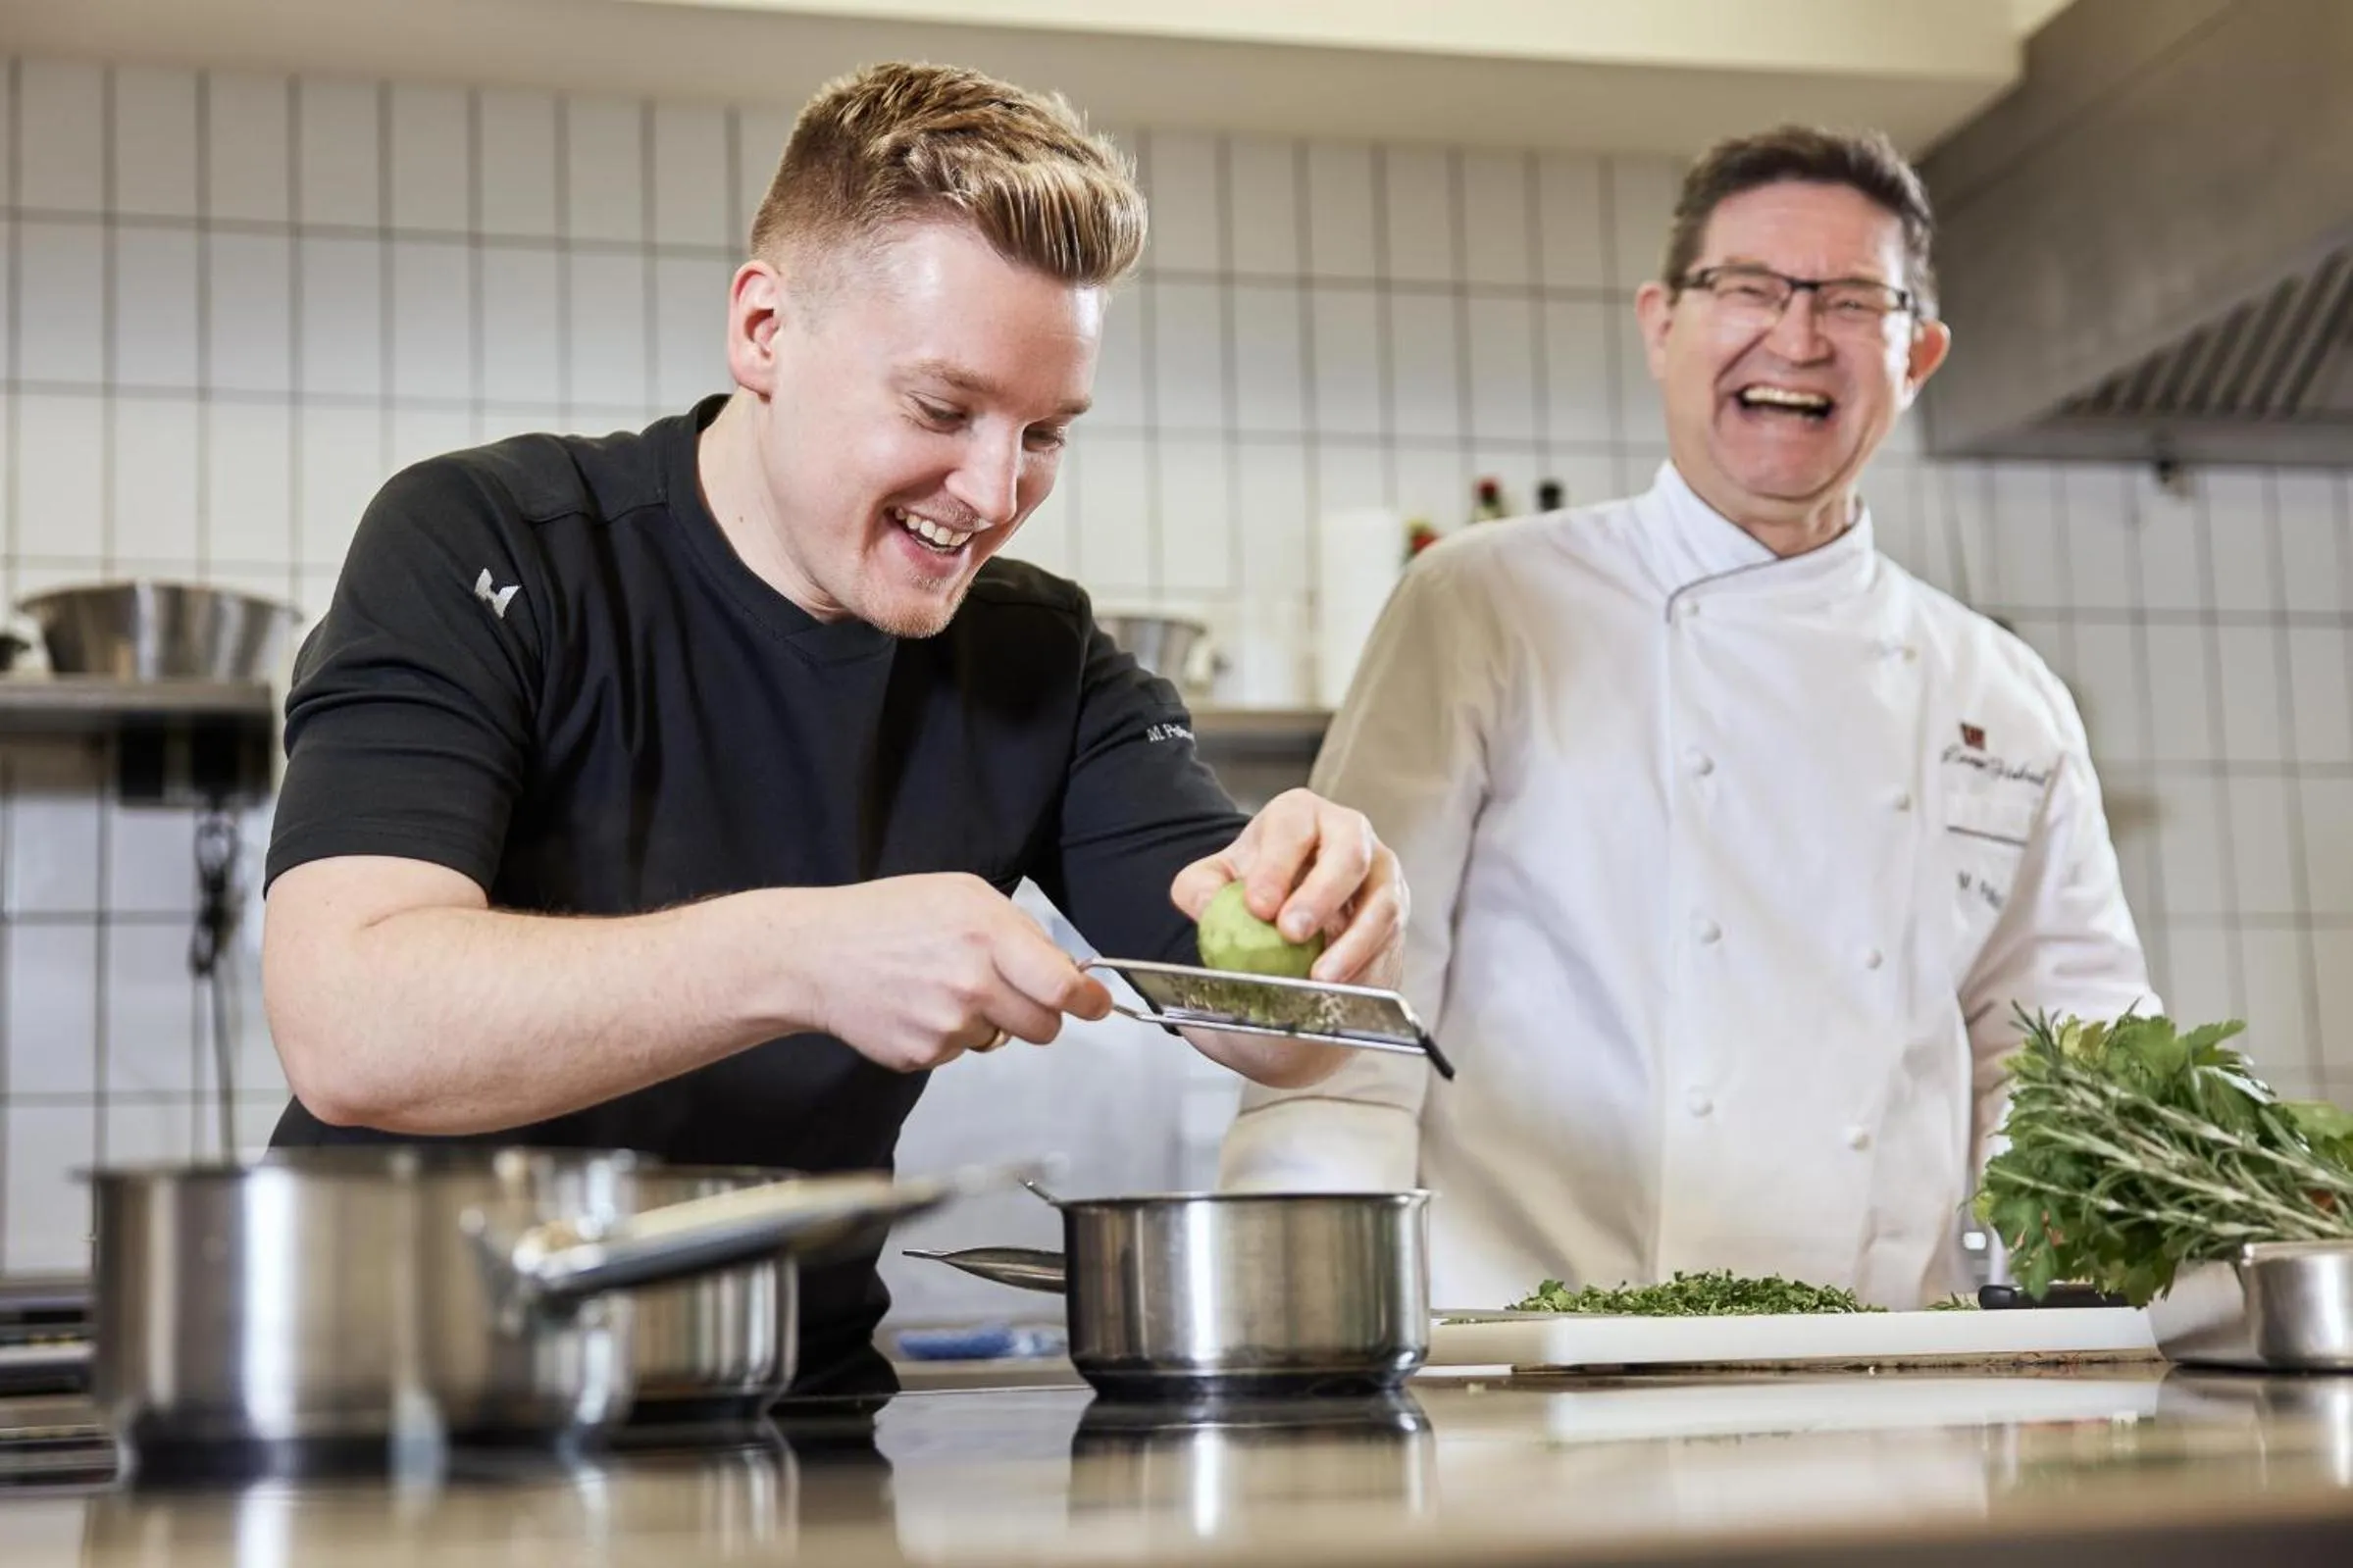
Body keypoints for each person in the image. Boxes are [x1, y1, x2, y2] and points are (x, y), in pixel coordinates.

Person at [260, 62, 1405, 1399]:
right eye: (939, 408)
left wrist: (1315, 909)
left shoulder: (1041, 655)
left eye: (1044, 432)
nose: (991, 492)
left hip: (775, 1410)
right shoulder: (490, 542)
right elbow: (349, 1025)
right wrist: (806, 954)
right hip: (395, 1404)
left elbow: (1269, 1028)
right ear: (762, 330)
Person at [1218, 126, 2153, 1311]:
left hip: (1884, 1392)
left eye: (1852, 299)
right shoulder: (1485, 602)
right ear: (1661, 321)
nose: (1797, 335)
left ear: (1916, 352)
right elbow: (1349, 1025)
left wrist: (2108, 1294)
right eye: (1748, 287)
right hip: (1531, 1392)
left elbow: (2067, 1058)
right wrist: (1297, 1338)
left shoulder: (2002, 694)